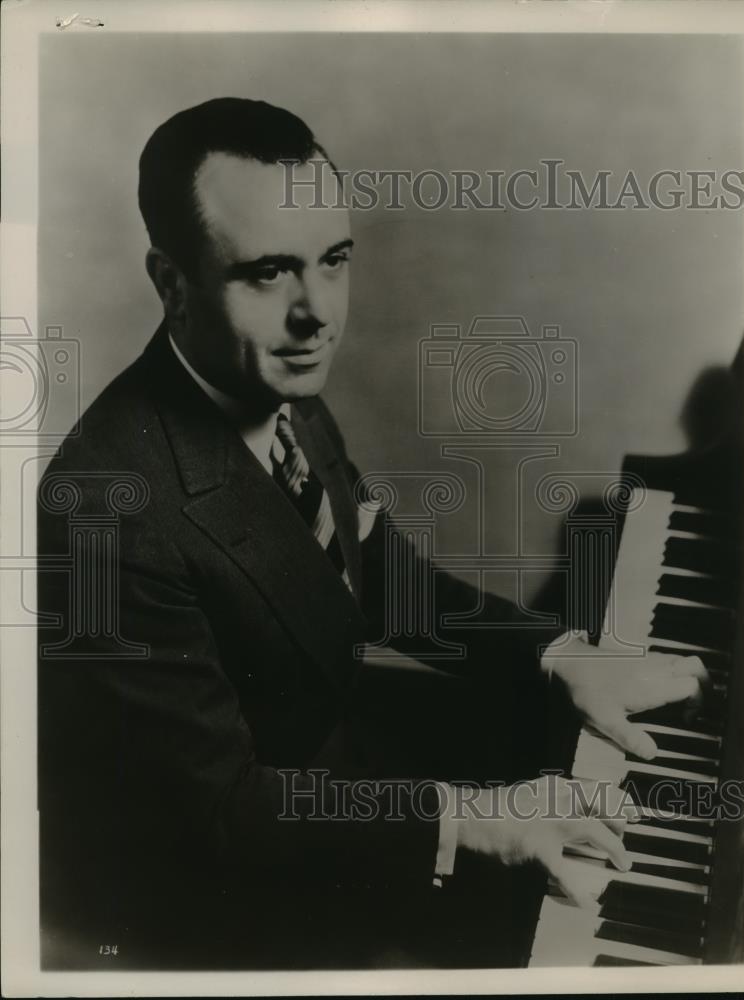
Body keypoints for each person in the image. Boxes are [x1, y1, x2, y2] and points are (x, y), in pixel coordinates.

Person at [37, 98, 707, 970]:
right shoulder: (101, 513)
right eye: (269, 272)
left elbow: (367, 564)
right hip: (224, 894)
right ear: (171, 283)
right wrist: (468, 820)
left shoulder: (271, 378)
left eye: (333, 260)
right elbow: (220, 814)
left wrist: (554, 651)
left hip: (333, 757)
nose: (317, 311)